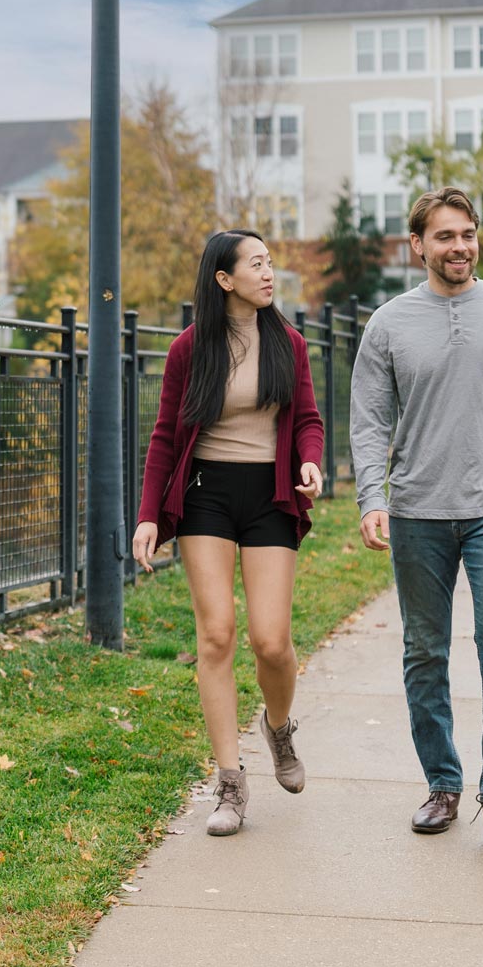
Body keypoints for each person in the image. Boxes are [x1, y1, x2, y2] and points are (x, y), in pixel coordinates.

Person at [348, 186, 483, 850]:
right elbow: (368, 422)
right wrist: (371, 496)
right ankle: (442, 784)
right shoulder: (388, 323)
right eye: (445, 236)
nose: (460, 247)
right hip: (418, 509)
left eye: (468, 233)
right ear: (417, 244)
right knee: (425, 652)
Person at [132, 229, 325, 835]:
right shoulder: (190, 350)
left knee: (271, 641)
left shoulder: (288, 343)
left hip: (269, 496)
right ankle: (230, 783)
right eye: (257, 264)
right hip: (204, 496)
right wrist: (147, 515)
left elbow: (309, 418)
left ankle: (278, 726)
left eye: (271, 263)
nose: (270, 274)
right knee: (216, 635)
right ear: (224, 279)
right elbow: (166, 435)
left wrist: (309, 460)